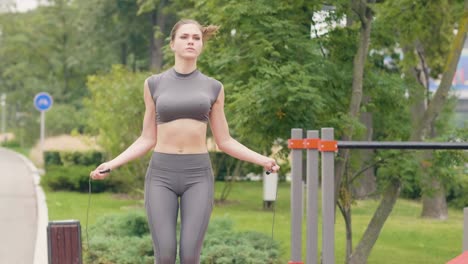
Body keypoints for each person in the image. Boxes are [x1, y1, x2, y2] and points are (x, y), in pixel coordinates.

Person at [89, 18, 280, 264]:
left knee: (190, 256)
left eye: (196, 38)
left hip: (198, 175)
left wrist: (263, 159)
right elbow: (147, 138)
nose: (191, 41)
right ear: (172, 44)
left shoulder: (214, 88)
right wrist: (111, 164)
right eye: (184, 37)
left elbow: (224, 141)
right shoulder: (153, 84)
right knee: (166, 254)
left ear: (201, 45)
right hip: (161, 174)